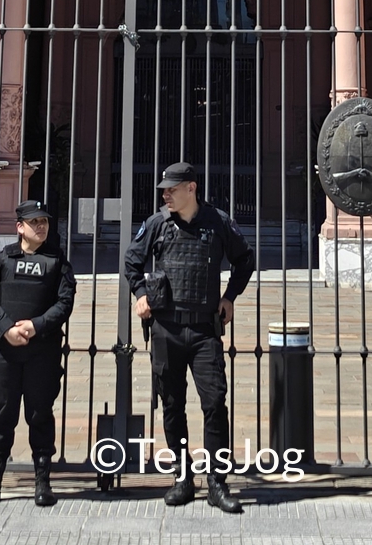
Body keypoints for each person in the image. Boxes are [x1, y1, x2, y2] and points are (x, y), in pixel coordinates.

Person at [122, 161, 256, 513]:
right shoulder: (156, 224)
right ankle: (183, 477)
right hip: (166, 328)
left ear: (191, 188)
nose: (165, 194)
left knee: (214, 404)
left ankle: (217, 481)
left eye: (172, 188)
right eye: (164, 189)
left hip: (203, 330)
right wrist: (139, 294)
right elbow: (131, 263)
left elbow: (245, 260)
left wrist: (229, 296)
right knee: (172, 404)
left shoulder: (218, 222)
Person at [0, 197, 74, 508]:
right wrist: (6, 329)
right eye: (34, 222)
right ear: (20, 227)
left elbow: (64, 303)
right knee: (2, 417)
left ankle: (42, 482)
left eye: (44, 221)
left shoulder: (58, 262)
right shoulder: (2, 260)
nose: (41, 226)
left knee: (39, 415)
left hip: (41, 352)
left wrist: (36, 325)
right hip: (4, 352)